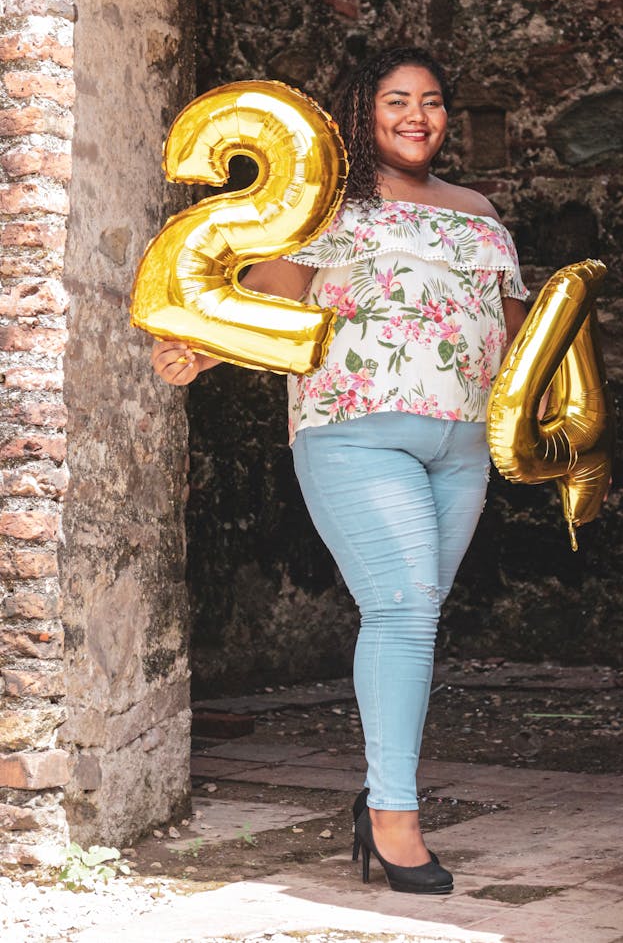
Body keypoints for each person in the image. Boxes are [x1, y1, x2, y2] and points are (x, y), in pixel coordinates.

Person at [151, 47, 529, 895]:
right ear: (363, 110)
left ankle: (381, 799)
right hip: (353, 434)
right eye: (397, 100)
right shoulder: (324, 208)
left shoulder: (479, 214)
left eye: (432, 101)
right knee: (401, 609)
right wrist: (199, 349)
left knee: (418, 612)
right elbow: (264, 300)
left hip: (462, 448)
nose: (417, 116)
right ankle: (394, 815)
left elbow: (516, 340)